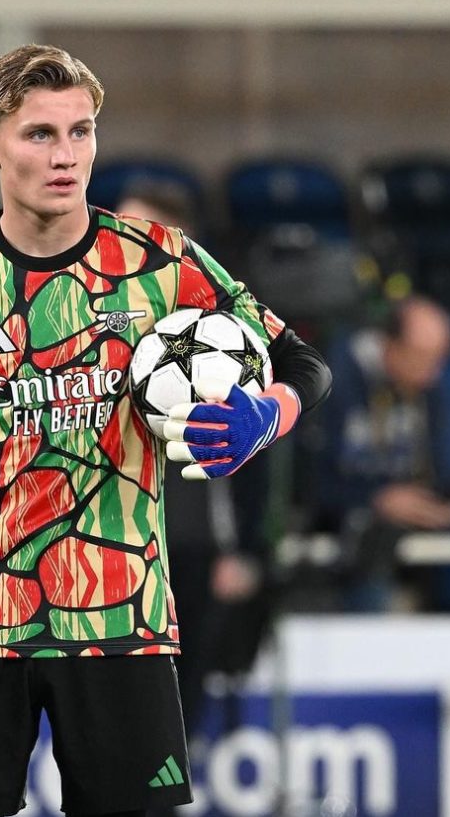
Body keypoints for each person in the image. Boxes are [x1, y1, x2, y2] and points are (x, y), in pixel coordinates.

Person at [0, 44, 331, 817]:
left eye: (81, 132)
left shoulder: (161, 263)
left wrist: (267, 415)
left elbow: (303, 362)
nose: (66, 155)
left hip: (125, 621)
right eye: (40, 134)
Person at [116, 180, 273, 742]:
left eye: (137, 236)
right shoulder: (82, 326)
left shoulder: (223, 337)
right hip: (107, 554)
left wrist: (249, 554)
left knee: (172, 727)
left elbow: (262, 448)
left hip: (193, 554)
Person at [315, 296, 450, 611]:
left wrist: (438, 500)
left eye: (440, 359)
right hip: (331, 554)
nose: (432, 374)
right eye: (423, 358)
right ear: (389, 344)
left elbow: (439, 468)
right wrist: (376, 499)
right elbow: (306, 481)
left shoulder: (429, 393)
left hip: (405, 554)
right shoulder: (330, 380)